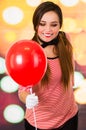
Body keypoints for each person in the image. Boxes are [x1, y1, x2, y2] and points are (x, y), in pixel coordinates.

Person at [18, 1, 78, 130]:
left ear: (60, 25)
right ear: (35, 25)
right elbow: (22, 90)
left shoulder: (65, 39)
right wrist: (27, 98)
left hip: (69, 116)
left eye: (54, 25)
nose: (48, 30)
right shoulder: (28, 52)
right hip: (41, 123)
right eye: (42, 24)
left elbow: (69, 68)